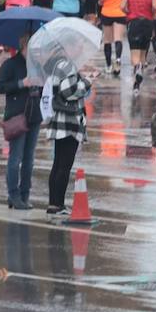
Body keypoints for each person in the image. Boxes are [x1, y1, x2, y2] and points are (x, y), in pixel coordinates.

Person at [0, 34, 41, 210]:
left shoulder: (38, 65)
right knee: (16, 157)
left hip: (34, 115)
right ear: (24, 46)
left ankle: (25, 194)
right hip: (17, 115)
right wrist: (22, 83)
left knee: (29, 159)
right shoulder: (10, 64)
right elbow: (0, 87)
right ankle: (13, 194)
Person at [45, 61, 92, 217]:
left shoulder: (58, 64)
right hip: (69, 122)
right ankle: (58, 204)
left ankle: (53, 204)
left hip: (61, 121)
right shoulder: (69, 65)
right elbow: (68, 91)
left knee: (58, 164)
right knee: (64, 166)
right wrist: (87, 81)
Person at [124, 0, 156, 94]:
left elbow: (122, 6)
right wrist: (153, 14)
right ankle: (137, 84)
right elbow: (155, 5)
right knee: (143, 54)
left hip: (134, 22)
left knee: (134, 54)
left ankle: (136, 72)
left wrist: (127, 12)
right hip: (147, 23)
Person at [98, 0, 128, 75]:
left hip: (107, 13)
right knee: (118, 38)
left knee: (107, 40)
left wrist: (100, 2)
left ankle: (108, 65)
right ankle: (118, 59)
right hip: (120, 13)